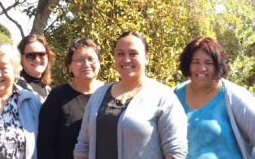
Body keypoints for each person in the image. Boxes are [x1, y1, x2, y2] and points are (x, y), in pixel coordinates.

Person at [74, 31, 187, 159]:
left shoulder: (163, 97)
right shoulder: (99, 95)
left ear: (147, 58)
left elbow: (175, 152)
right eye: (120, 54)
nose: (126, 59)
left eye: (133, 53)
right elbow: (82, 146)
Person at [174, 37, 255, 159]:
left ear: (218, 65)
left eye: (209, 63)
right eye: (196, 62)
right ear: (187, 64)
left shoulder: (234, 97)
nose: (202, 68)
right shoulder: (174, 95)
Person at [37, 37, 103, 159]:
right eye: (80, 60)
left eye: (91, 59)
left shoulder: (109, 94)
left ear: (99, 63)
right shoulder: (57, 97)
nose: (86, 64)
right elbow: (45, 145)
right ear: (69, 67)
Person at [17, 34, 55, 102]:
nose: (37, 60)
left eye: (42, 54)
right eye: (31, 55)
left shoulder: (48, 90)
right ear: (20, 58)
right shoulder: (14, 87)